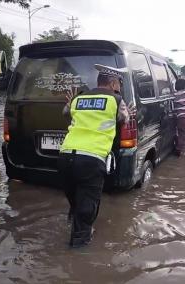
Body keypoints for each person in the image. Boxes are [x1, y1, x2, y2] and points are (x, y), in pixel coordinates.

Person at [58, 64, 135, 248]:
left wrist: (72, 104)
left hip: (65, 157)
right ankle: (78, 258)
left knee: (76, 201)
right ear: (112, 82)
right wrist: (127, 115)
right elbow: (123, 120)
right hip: (91, 160)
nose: (119, 88)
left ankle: (76, 224)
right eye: (118, 84)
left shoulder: (79, 98)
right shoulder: (116, 100)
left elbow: (66, 114)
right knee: (87, 211)